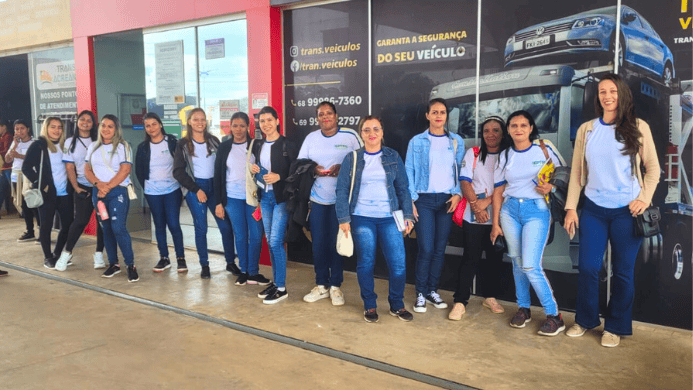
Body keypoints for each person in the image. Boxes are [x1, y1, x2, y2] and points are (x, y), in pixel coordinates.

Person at [563, 74, 660, 348]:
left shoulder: (638, 127)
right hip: (593, 209)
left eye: (613, 91)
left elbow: (653, 169)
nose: (607, 96)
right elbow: (577, 175)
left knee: (623, 272)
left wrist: (644, 198)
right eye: (602, 92)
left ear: (623, 95)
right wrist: (571, 208)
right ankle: (585, 320)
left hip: (626, 212)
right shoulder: (587, 129)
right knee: (588, 268)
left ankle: (615, 326)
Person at [490, 110, 566, 336]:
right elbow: (498, 191)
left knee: (531, 265)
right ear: (509, 130)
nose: (519, 129)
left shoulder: (544, 149)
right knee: (517, 261)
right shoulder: (505, 155)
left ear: (531, 128)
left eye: (523, 125)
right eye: (514, 126)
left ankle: (554, 315)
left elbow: (565, 175)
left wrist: (551, 188)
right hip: (510, 210)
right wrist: (495, 223)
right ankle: (524, 309)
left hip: (537, 210)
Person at [335, 116, 415, 323]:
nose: (372, 133)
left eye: (376, 129)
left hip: (390, 217)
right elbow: (342, 190)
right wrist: (343, 218)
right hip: (362, 217)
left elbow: (403, 188)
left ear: (382, 132)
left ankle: (396, 305)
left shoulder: (392, 156)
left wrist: (408, 215)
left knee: (398, 264)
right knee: (366, 263)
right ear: (361, 133)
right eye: (367, 129)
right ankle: (370, 305)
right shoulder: (352, 158)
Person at [298, 101, 363, 306]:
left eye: (329, 113)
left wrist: (343, 167)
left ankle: (336, 286)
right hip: (317, 200)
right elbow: (300, 165)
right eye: (321, 114)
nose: (325, 117)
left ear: (336, 116)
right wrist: (313, 169)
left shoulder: (350, 136)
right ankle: (321, 285)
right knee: (318, 244)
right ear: (317, 118)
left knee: (337, 245)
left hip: (341, 202)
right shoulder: (311, 138)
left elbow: (363, 162)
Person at [405, 98, 465, 313]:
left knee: (440, 250)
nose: (439, 116)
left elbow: (461, 172)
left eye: (442, 112)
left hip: (447, 201)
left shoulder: (456, 141)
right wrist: (411, 200)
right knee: (426, 249)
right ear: (427, 115)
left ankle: (432, 291)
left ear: (446, 116)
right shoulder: (417, 141)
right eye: (434, 112)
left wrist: (458, 194)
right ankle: (420, 293)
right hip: (425, 201)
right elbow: (408, 171)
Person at [449, 116, 510, 320]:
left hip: (499, 216)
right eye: (486, 131)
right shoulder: (473, 153)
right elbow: (465, 181)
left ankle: (490, 297)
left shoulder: (510, 156)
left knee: (494, 258)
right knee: (470, 258)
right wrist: (476, 206)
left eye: (495, 130)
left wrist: (489, 201)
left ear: (503, 133)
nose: (490, 135)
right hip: (473, 216)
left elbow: (511, 184)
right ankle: (460, 301)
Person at [173, 108, 237, 279]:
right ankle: (205, 265)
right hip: (196, 188)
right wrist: (196, 190)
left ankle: (230, 263)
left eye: (202, 119)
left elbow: (223, 165)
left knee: (225, 226)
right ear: (190, 122)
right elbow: (178, 172)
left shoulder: (214, 141)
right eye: (196, 119)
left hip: (214, 187)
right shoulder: (182, 145)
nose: (200, 122)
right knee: (201, 228)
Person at [213, 112, 270, 286]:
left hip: (253, 197)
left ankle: (253, 272)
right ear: (230, 127)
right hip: (232, 198)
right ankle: (244, 271)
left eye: (242, 126)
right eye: (235, 125)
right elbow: (218, 176)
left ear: (248, 127)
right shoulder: (224, 147)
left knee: (255, 234)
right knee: (240, 234)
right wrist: (218, 203)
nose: (238, 129)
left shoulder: (257, 145)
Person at [250, 106, 298, 304]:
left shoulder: (288, 144)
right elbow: (259, 172)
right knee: (270, 240)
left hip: (281, 199)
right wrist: (255, 170)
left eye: (270, 120)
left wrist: (280, 176)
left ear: (278, 121)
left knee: (276, 241)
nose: (266, 124)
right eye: (262, 121)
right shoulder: (258, 145)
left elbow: (297, 173)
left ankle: (281, 287)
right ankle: (276, 281)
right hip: (265, 198)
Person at [84, 114, 139, 282]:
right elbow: (87, 170)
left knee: (118, 227)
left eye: (110, 126)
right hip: (99, 194)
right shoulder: (93, 146)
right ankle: (113, 264)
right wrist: (98, 185)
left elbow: (125, 170)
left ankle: (130, 265)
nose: (106, 129)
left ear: (116, 129)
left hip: (117, 193)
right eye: (103, 125)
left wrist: (107, 187)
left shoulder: (124, 146)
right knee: (106, 228)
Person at [135, 112, 186, 273]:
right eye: (147, 125)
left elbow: (181, 163)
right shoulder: (142, 147)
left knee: (173, 224)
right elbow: (138, 170)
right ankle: (164, 258)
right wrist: (147, 187)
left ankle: (181, 258)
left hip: (172, 190)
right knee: (159, 225)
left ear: (160, 124)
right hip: (152, 191)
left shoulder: (171, 142)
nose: (151, 128)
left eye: (154, 124)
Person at [22, 117, 74, 270]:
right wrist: (41, 184)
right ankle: (47, 257)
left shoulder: (65, 145)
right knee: (46, 226)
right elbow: (26, 167)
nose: (56, 130)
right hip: (47, 194)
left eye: (59, 127)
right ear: (46, 128)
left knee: (68, 225)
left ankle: (57, 253)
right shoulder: (39, 145)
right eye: (53, 127)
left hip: (65, 193)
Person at [60, 110, 106, 269]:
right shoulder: (69, 142)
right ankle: (66, 253)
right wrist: (76, 188)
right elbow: (69, 167)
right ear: (77, 122)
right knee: (80, 221)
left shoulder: (98, 140)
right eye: (82, 119)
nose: (85, 122)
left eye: (89, 120)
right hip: (82, 187)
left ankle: (99, 254)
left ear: (94, 124)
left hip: (100, 187)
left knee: (102, 222)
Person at [5, 119, 40, 241]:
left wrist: (19, 156)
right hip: (16, 176)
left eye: (22, 128)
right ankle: (29, 231)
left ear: (28, 129)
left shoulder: (34, 143)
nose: (19, 131)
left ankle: (41, 231)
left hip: (28, 176)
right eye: (17, 129)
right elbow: (8, 160)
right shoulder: (15, 142)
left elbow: (35, 159)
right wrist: (14, 145)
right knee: (22, 205)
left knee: (33, 204)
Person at [0, 118, 13, 216]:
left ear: (3, 127)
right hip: (4, 167)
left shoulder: (8, 136)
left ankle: (22, 210)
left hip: (8, 167)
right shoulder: (3, 137)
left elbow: (6, 151)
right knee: (2, 189)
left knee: (14, 189)